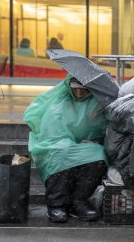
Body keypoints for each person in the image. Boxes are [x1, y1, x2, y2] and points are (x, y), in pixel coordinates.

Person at [23, 75, 108, 223]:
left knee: (98, 155)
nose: (80, 94)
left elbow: (101, 129)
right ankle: (56, 205)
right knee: (61, 154)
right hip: (55, 144)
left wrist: (93, 139)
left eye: (84, 91)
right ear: (69, 88)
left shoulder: (96, 104)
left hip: (82, 144)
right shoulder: (60, 102)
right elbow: (52, 132)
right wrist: (69, 142)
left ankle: (78, 200)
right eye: (76, 90)